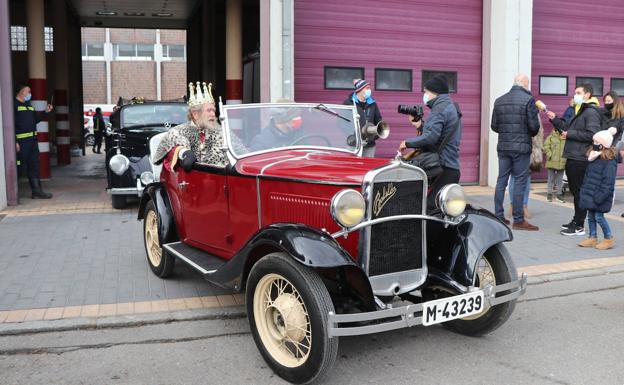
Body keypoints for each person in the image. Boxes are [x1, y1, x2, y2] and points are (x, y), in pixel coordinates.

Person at [398, 75, 461, 211]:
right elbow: (440, 137)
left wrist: (407, 143)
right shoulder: (449, 106)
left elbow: (431, 138)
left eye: (426, 92)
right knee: (439, 209)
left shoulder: (439, 109)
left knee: (428, 208)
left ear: (434, 92)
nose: (424, 95)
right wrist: (420, 126)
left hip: (442, 168)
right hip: (449, 168)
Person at [547, 83, 602, 236]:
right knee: (576, 192)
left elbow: (592, 134)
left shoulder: (590, 112)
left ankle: (579, 226)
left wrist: (570, 134)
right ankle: (576, 221)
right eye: (575, 92)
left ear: (588, 94)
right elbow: (568, 128)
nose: (575, 95)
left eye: (578, 92)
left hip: (580, 158)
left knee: (579, 193)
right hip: (574, 156)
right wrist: (555, 120)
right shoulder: (580, 110)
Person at [491, 74, 540, 230]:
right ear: (525, 84)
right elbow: (534, 127)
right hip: (521, 148)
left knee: (501, 180)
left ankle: (498, 216)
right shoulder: (528, 100)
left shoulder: (499, 100)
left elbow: (494, 126)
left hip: (504, 147)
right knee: (520, 181)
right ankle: (518, 220)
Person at [153, 82, 228, 170]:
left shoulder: (222, 132)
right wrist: (184, 153)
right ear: (195, 114)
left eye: (213, 110)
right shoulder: (178, 131)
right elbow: (174, 148)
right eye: (209, 110)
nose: (213, 114)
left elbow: (239, 151)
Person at [577, 127, 617, 250]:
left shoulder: (609, 162)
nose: (594, 144)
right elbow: (588, 177)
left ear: (604, 145)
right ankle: (592, 237)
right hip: (591, 194)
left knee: (599, 217)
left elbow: (608, 182)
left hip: (600, 195)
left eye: (597, 143)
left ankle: (608, 238)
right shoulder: (594, 157)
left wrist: (599, 196)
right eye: (594, 142)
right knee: (591, 216)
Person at [13, 84, 53, 199]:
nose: (29, 94)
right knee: (19, 167)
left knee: (34, 166)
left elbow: (35, 120)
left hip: (32, 141)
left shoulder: (28, 106)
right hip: (21, 143)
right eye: (28, 91)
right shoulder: (14, 105)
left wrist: (45, 112)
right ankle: (12, 193)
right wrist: (15, 141)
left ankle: (36, 191)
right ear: (21, 92)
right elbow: (11, 125)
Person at [343, 79, 382, 157]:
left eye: (369, 88)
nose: (369, 90)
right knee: (353, 167)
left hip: (369, 146)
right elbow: (342, 123)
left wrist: (373, 137)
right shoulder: (348, 103)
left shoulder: (372, 103)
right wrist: (355, 137)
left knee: (367, 167)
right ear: (360, 90)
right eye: (367, 88)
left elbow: (378, 121)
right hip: (353, 145)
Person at [543, 125, 566, 203]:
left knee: (560, 179)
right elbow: (546, 146)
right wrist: (550, 154)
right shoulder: (550, 137)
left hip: (562, 162)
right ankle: (549, 194)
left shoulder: (566, 138)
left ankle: (559, 195)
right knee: (551, 179)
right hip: (551, 161)